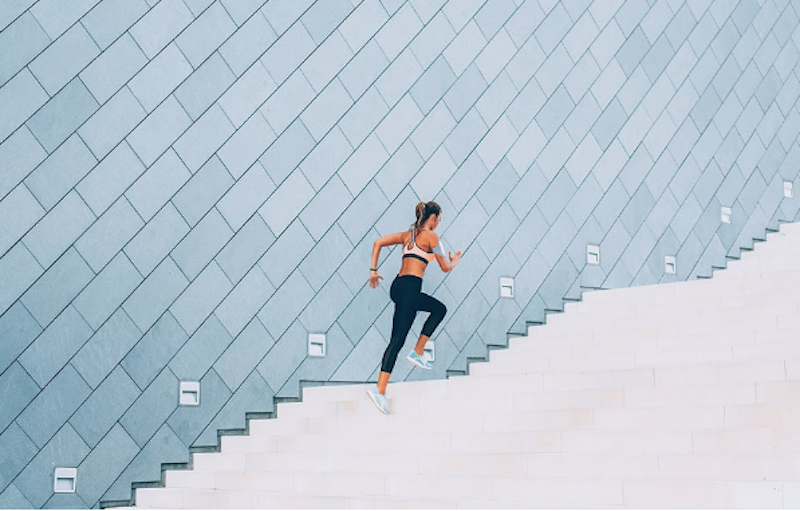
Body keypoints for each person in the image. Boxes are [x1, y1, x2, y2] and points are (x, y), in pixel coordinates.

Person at [366, 201, 462, 414]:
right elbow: (444, 267)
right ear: (433, 217)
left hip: (398, 286)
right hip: (410, 287)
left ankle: (418, 351)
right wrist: (454, 261)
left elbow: (377, 243)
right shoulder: (433, 237)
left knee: (438, 309)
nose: (438, 224)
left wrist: (373, 271)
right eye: (439, 219)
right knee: (398, 340)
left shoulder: (407, 235)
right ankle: (379, 390)